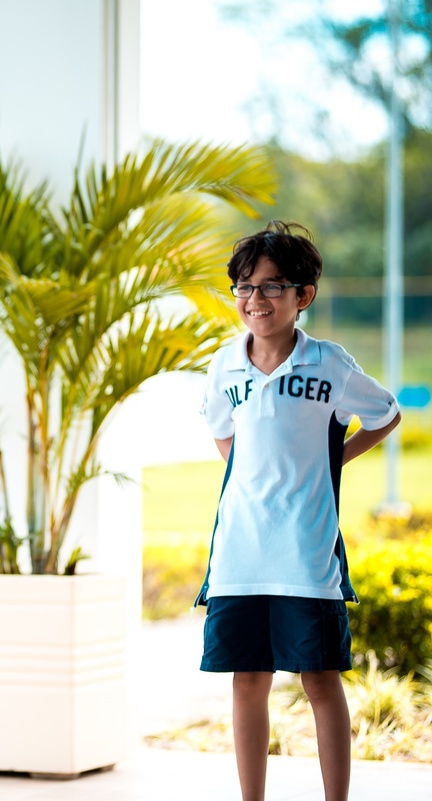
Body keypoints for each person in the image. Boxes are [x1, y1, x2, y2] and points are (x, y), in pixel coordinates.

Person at [194, 221, 402, 801]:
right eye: (243, 287)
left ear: (302, 296)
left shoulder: (329, 363)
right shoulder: (223, 367)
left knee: (320, 681)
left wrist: (334, 460)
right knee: (248, 681)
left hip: (307, 554)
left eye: (270, 287)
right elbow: (224, 436)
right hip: (238, 556)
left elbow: (385, 416)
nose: (254, 299)